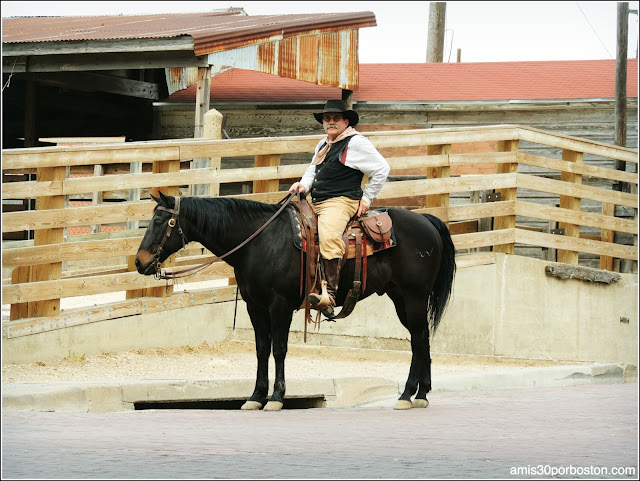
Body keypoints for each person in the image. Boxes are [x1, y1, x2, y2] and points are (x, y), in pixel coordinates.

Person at [289, 99, 390, 317]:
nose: (331, 122)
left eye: (336, 118)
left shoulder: (355, 143)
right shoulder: (323, 144)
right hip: (317, 201)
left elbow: (382, 168)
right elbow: (312, 170)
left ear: (346, 121)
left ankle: (330, 294)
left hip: (340, 201)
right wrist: (303, 185)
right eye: (327, 119)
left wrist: (367, 199)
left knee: (329, 235)